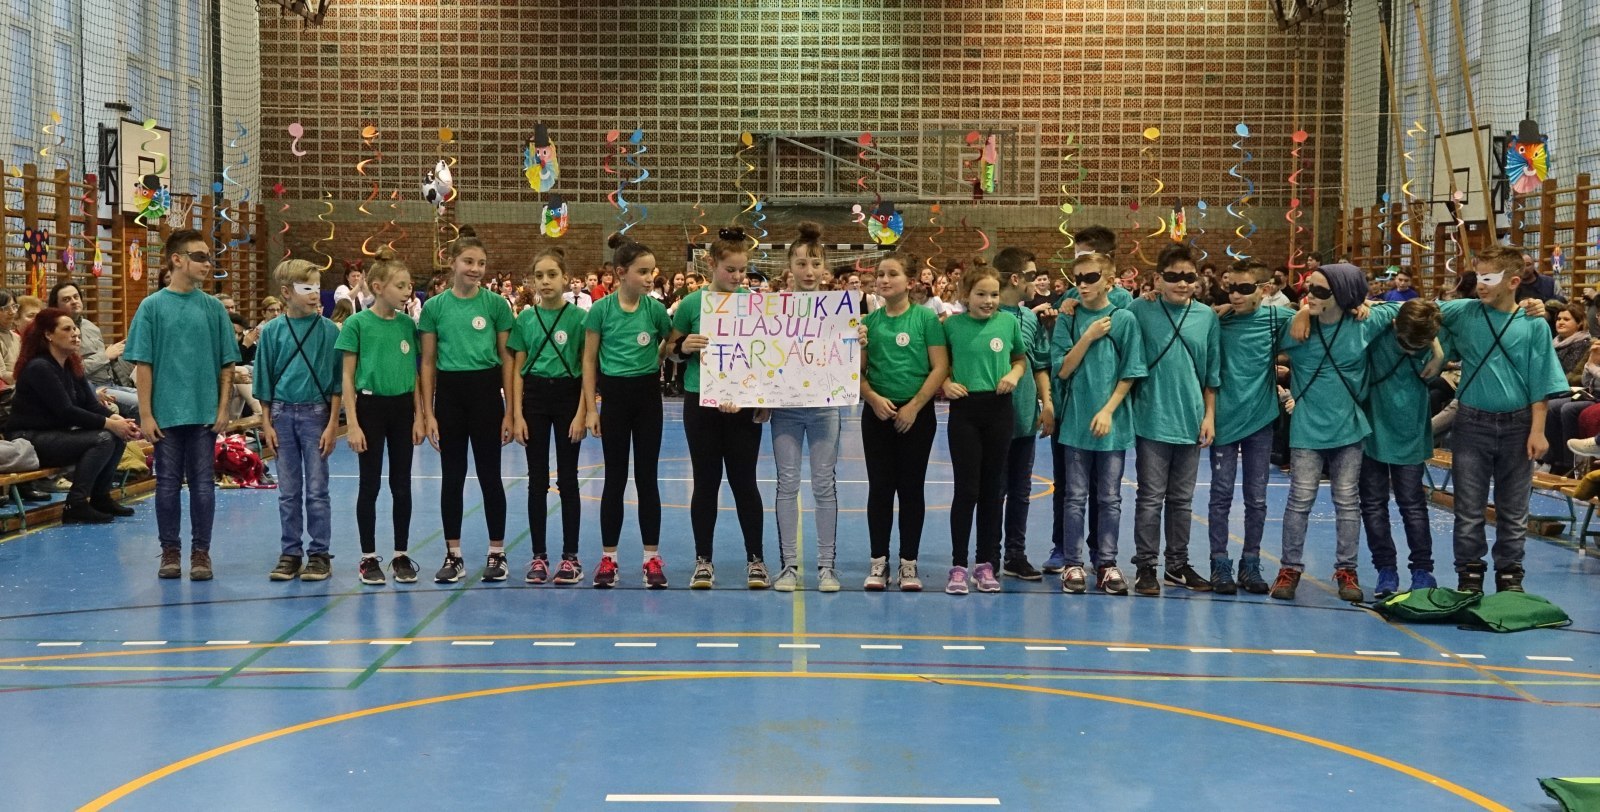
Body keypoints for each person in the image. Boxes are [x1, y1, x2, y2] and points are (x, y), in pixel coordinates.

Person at [1439, 244, 1568, 593]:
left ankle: (1510, 574)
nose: (1480, 285)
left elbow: (1540, 382)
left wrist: (1538, 431)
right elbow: (1415, 312)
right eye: (1478, 277)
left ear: (1513, 282)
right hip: (1471, 424)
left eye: (1489, 278)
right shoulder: (1464, 312)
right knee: (1468, 508)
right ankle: (1469, 574)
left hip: (1518, 427)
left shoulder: (1533, 324)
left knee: (1513, 509)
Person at [1271, 264, 1400, 601]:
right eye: (1308, 290)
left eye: (1320, 291)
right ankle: (1289, 568)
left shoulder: (1364, 322)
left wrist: (1368, 303)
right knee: (1300, 500)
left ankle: (1347, 569)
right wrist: (1301, 312)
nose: (1310, 296)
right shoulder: (1296, 328)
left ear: (1342, 295)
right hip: (1307, 428)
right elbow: (1255, 324)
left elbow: (1410, 308)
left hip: (1349, 428)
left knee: (1346, 501)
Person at [126, 230, 241, 580]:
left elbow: (227, 364)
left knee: (204, 485)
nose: (208, 264)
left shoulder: (213, 309)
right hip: (166, 414)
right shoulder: (152, 307)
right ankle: (170, 551)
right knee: (167, 484)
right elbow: (143, 364)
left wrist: (223, 408)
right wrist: (146, 413)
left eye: (209, 257)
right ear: (177, 259)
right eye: (200, 257)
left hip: (204, 414)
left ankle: (201, 553)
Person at [670, 228, 769, 589]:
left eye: (742, 270)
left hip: (743, 406)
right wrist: (684, 347)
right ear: (712, 264)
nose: (738, 277)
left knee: (745, 483)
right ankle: (703, 560)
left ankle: (756, 559)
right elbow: (669, 350)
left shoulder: (755, 303)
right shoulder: (692, 304)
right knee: (705, 482)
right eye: (731, 270)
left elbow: (767, 357)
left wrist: (763, 402)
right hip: (702, 402)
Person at [419, 226, 516, 584]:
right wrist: (428, 413)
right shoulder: (434, 307)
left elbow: (507, 360)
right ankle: (454, 555)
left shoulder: (496, 305)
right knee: (452, 477)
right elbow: (428, 363)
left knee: (491, 476)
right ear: (452, 263)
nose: (476, 269)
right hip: (450, 397)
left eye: (481, 263)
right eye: (469, 262)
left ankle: (497, 553)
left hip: (486, 394)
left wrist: (510, 411)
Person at [1127, 245, 1220, 596]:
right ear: (1158, 279)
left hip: (1191, 419)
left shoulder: (1207, 317)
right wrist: (1070, 303)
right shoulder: (1140, 309)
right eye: (1173, 277)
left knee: (1182, 499)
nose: (1182, 283)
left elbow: (1212, 373)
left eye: (1188, 277)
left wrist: (1209, 416)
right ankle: (1146, 565)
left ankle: (1177, 564)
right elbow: (1106, 310)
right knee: (1150, 497)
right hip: (1151, 418)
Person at [1050, 252, 1144, 595]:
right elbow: (1063, 369)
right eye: (1078, 279)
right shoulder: (1069, 318)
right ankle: (1072, 563)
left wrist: (1107, 411)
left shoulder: (1124, 319)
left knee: (1110, 498)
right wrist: (1088, 336)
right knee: (1074, 496)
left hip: (1113, 424)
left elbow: (1131, 371)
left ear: (1109, 280)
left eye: (1091, 277)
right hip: (1076, 422)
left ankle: (1106, 562)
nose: (1083, 285)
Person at [584, 234, 672, 587]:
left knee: (647, 478)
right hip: (614, 400)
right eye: (643, 272)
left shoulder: (655, 311)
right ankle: (609, 559)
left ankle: (652, 559)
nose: (650, 278)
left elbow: (669, 345)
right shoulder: (601, 310)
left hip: (648, 399)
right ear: (622, 273)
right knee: (615, 479)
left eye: (652, 272)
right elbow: (589, 360)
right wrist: (591, 409)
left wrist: (659, 357)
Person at [860, 250, 948, 591]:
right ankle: (878, 561)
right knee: (880, 488)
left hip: (917, 415)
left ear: (910, 282)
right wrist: (872, 398)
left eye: (892, 274)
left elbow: (939, 367)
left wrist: (914, 406)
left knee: (911, 489)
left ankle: (908, 563)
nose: (884, 280)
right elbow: (856, 371)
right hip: (878, 413)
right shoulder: (868, 323)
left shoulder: (926, 319)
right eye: (880, 274)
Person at [1205, 260, 1295, 594]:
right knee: (1220, 495)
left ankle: (1251, 563)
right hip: (1224, 420)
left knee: (1256, 498)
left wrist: (1362, 304)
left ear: (1265, 289)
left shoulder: (1277, 317)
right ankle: (1219, 563)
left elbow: (1319, 314)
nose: (1236, 295)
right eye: (1231, 288)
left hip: (1260, 421)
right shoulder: (1217, 320)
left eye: (1245, 288)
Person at [337, 247, 424, 586]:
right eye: (400, 286)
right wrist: (352, 424)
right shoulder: (356, 324)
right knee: (369, 484)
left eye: (409, 285)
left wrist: (419, 416)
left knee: (401, 485)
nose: (407, 292)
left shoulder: (407, 326)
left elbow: (414, 373)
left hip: (402, 410)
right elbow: (347, 377)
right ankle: (368, 557)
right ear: (377, 287)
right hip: (369, 409)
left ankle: (401, 554)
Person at [5, 308, 138, 522]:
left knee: (118, 435)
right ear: (48, 335)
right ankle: (75, 504)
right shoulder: (40, 367)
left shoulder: (70, 364)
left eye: (75, 328)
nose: (75, 333)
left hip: (55, 435)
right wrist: (109, 424)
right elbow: (66, 411)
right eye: (67, 329)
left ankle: (100, 497)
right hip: (28, 439)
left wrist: (117, 421)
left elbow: (91, 405)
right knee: (104, 438)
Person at [255, 259, 343, 583]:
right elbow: (263, 380)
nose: (315, 294)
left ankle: (319, 553)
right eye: (307, 288)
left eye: (317, 287)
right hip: (281, 415)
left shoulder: (329, 331)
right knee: (288, 491)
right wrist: (266, 423)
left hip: (315, 415)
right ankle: (290, 553)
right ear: (286, 293)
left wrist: (332, 424)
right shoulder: (272, 332)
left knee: (317, 489)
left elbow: (337, 383)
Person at [769, 223, 845, 592]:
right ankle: (788, 566)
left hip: (824, 408)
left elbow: (851, 362)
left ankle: (827, 567)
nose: (809, 271)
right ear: (790, 268)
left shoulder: (841, 311)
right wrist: (761, 399)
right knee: (786, 484)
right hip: (785, 408)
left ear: (824, 267)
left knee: (823, 485)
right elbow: (763, 358)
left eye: (815, 264)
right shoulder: (772, 309)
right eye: (801, 264)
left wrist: (857, 341)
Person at [941, 264, 1026, 595]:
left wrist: (1014, 375)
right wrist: (946, 384)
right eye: (981, 294)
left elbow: (1020, 359)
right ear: (966, 295)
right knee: (967, 490)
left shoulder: (1008, 323)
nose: (988, 300)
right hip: (965, 411)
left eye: (994, 294)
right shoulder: (951, 326)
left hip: (999, 409)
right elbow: (939, 365)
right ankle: (958, 566)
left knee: (992, 491)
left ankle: (985, 564)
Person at [510, 247, 588, 585]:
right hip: (535, 399)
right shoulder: (525, 319)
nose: (545, 281)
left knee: (568, 479)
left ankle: (571, 557)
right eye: (539, 276)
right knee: (537, 480)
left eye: (552, 275)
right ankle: (539, 556)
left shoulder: (580, 318)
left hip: (569, 396)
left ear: (565, 278)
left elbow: (587, 368)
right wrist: (516, 414)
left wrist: (583, 412)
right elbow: (517, 370)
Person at [1360, 299, 1444, 598]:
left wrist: (1437, 350)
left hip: (1410, 431)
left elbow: (1446, 306)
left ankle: (1422, 570)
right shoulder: (1382, 326)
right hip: (1373, 428)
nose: (1411, 350)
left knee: (1413, 504)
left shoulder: (1428, 334)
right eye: (1406, 343)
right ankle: (1385, 568)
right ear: (1395, 325)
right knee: (1373, 503)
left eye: (1419, 345)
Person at [993, 247, 1054, 581]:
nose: (1038, 282)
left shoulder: (1030, 319)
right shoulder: (985, 314)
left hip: (1025, 419)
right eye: (1032, 275)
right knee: (994, 491)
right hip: (992, 420)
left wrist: (1047, 403)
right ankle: (989, 555)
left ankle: (1015, 554)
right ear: (1016, 279)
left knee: (1021, 491)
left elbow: (1040, 364)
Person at [48, 282, 140, 422]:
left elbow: (108, 364)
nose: (73, 301)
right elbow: (70, 370)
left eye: (76, 297)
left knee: (151, 398)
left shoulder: (91, 327)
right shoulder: (58, 334)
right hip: (90, 387)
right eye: (66, 299)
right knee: (139, 403)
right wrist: (105, 356)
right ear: (56, 306)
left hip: (111, 383)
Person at [0, 289, 20, 387]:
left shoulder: (17, 337)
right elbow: (3, 375)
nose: (12, 312)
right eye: (5, 308)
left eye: (14, 306)